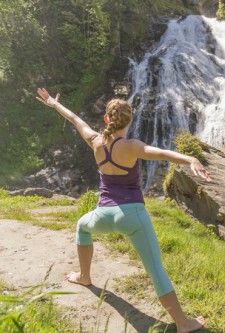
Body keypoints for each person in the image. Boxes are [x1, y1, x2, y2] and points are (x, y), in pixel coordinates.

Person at [36, 88, 208, 333]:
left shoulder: (95, 141)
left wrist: (53, 104)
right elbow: (160, 153)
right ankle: (183, 324)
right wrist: (190, 159)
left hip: (103, 215)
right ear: (130, 120)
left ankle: (84, 276)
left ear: (107, 119)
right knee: (155, 270)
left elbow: (75, 119)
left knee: (82, 226)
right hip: (133, 217)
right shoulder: (132, 146)